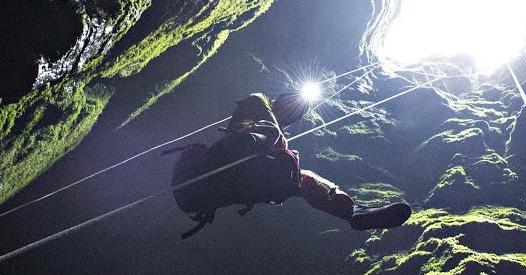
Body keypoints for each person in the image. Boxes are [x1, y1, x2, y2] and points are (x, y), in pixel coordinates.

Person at [168, 93, 412, 238]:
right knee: (281, 150)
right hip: (204, 179)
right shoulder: (262, 117)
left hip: (203, 192)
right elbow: (252, 118)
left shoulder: (271, 143)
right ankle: (350, 211)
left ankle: (351, 210)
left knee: (299, 177)